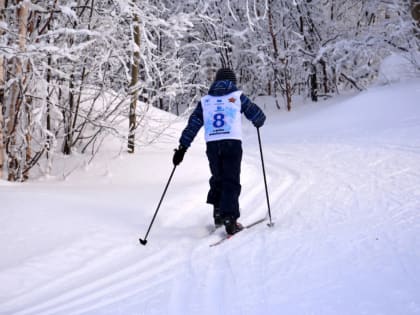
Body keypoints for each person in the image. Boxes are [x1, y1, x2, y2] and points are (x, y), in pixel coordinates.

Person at [172, 68, 266, 235]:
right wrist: (258, 120)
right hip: (232, 142)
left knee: (218, 178)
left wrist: (182, 147)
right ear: (233, 82)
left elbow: (193, 124)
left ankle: (218, 214)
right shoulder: (237, 96)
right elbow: (256, 114)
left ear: (215, 81)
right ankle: (229, 219)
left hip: (213, 145)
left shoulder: (205, 101)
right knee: (231, 179)